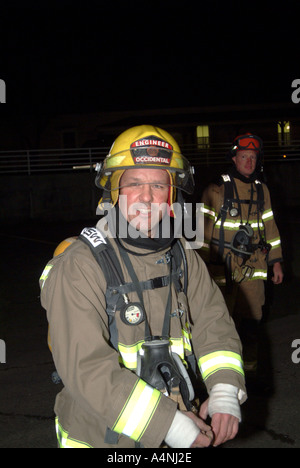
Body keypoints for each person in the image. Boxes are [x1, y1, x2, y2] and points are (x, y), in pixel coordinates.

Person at [40, 125, 247, 449]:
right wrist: (170, 424)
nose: (148, 197)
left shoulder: (182, 254)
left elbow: (213, 322)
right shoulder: (80, 266)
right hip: (104, 440)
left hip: (181, 426)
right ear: (113, 193)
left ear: (172, 193)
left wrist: (223, 390)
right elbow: (86, 368)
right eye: (135, 184)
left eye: (158, 184)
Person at [200, 133, 284, 372]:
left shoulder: (263, 191)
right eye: (244, 156)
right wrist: (200, 271)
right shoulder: (215, 189)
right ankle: (221, 375)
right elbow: (200, 237)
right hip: (219, 272)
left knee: (251, 326)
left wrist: (276, 262)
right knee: (220, 326)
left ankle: (250, 372)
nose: (249, 162)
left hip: (253, 270)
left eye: (253, 157)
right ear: (234, 158)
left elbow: (271, 228)